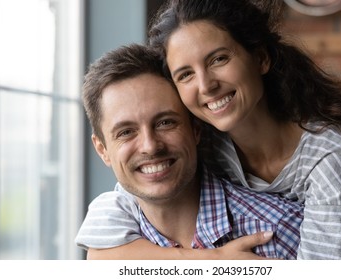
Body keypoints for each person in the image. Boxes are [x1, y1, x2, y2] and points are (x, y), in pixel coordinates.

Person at [77, 0, 341, 259]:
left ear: (260, 58)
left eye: (218, 59)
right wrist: (208, 263)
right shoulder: (205, 139)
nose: (206, 85)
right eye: (186, 74)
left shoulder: (328, 158)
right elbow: (107, 231)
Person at [76, 44, 303, 259]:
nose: (150, 146)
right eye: (126, 132)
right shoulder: (108, 234)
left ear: (196, 129)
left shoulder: (279, 231)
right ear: (102, 149)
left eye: (164, 123)